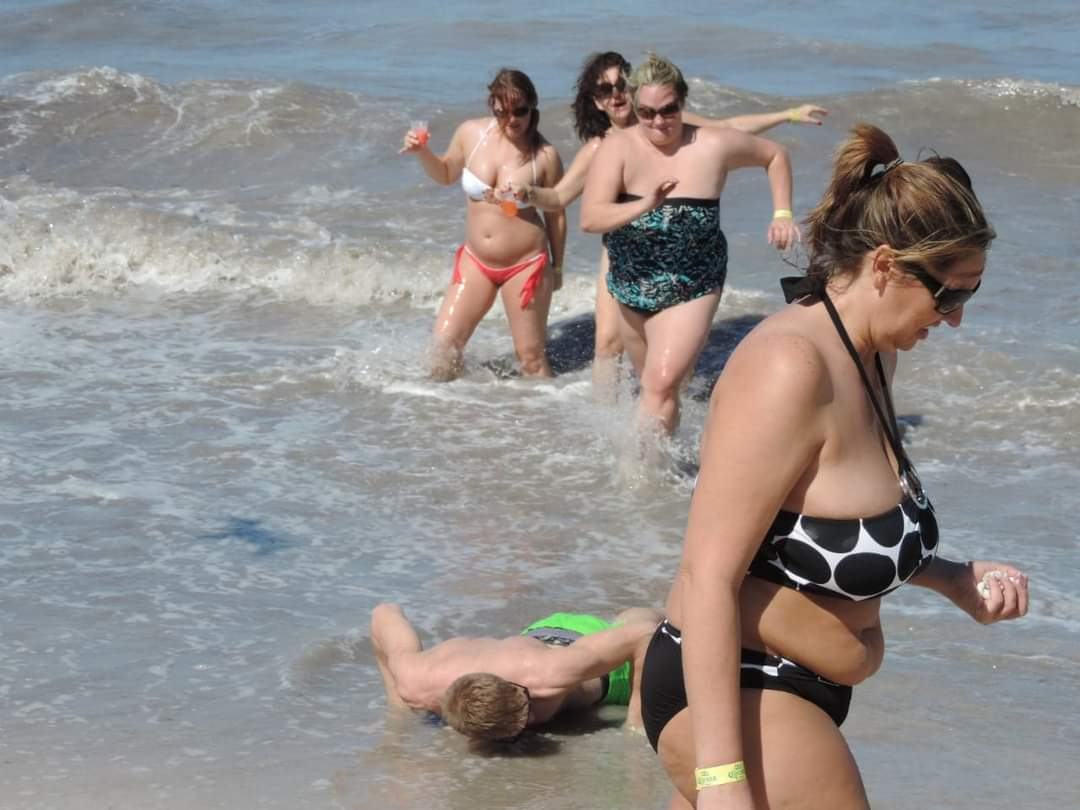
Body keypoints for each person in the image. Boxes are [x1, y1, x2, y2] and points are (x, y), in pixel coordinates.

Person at [638, 124, 1030, 810]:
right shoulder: (787, 368)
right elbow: (707, 576)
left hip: (805, 687)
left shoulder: (875, 353)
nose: (957, 318)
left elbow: (823, 538)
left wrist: (952, 579)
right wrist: (722, 779)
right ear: (885, 264)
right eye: (950, 294)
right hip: (736, 684)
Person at [506, 51, 825, 397]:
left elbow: (731, 130)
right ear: (596, 101)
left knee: (665, 376)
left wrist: (788, 115)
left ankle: (661, 406)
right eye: (604, 89)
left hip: (687, 262)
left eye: (619, 84)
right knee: (608, 343)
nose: (614, 94)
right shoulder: (603, 149)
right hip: (622, 253)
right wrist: (528, 193)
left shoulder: (674, 122)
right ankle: (607, 419)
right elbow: (560, 197)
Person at [580, 53, 799, 435]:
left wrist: (782, 213)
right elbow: (590, 217)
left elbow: (775, 155)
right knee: (659, 388)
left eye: (668, 111)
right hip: (632, 283)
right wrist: (646, 204)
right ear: (633, 105)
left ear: (682, 102)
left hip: (694, 281)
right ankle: (667, 474)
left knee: (659, 383)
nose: (658, 123)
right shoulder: (618, 149)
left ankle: (640, 478)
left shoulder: (711, 145)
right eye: (646, 113)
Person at [401, 68, 566, 380]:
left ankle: (545, 422)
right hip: (477, 261)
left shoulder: (544, 156)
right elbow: (447, 174)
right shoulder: (471, 134)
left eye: (521, 111)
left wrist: (557, 268)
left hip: (526, 264)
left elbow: (556, 213)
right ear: (493, 106)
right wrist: (422, 152)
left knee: (530, 358)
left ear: (533, 108)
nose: (512, 120)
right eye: (503, 112)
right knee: (443, 351)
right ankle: (456, 418)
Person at [371, 603, 662, 740]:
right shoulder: (413, 682)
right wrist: (398, 709)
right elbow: (383, 614)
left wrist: (636, 723)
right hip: (538, 633)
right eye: (523, 721)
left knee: (640, 620)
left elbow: (644, 635)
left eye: (527, 705)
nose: (533, 717)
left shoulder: (548, 676)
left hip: (588, 650)